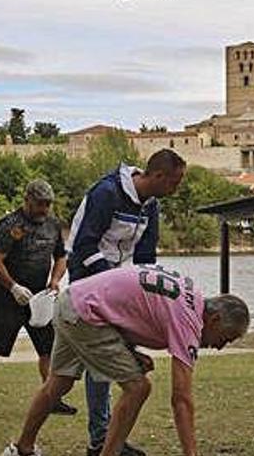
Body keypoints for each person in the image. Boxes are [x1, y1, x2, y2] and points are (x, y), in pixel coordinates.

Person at [0, 264, 250, 456]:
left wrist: (129, 350)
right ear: (214, 319)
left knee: (59, 383)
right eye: (225, 338)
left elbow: (128, 305)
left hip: (72, 301)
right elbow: (181, 399)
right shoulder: (189, 320)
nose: (219, 347)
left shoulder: (190, 294)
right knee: (138, 387)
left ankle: (22, 448)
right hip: (88, 315)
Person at [67, 148, 186, 456]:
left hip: (116, 285)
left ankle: (102, 439)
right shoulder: (107, 192)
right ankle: (101, 440)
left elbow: (146, 258)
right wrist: (110, 282)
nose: (177, 190)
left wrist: (151, 292)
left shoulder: (151, 206)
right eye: (175, 182)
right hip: (87, 281)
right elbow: (83, 244)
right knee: (94, 364)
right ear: (157, 176)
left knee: (77, 369)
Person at [0, 180, 76, 417]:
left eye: (48, 204)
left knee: (48, 347)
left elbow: (61, 258)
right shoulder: (10, 225)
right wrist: (12, 287)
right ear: (27, 200)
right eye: (40, 204)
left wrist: (54, 281)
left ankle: (51, 397)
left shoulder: (53, 225)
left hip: (39, 298)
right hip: (7, 296)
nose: (44, 209)